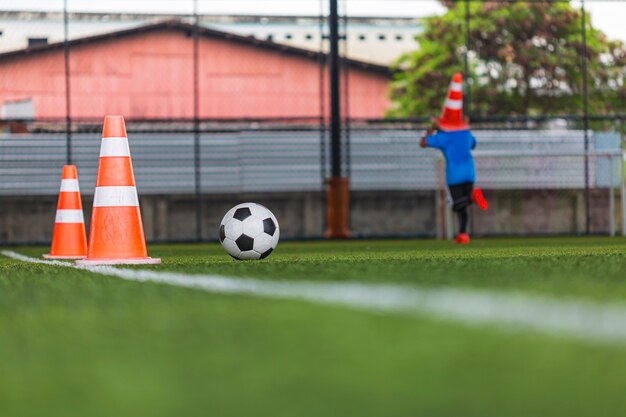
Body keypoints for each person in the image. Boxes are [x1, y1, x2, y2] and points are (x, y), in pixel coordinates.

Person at [420, 73, 487, 244]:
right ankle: (463, 234)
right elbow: (473, 144)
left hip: (454, 174)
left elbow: (422, 143)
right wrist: (467, 127)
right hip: (470, 172)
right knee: (463, 208)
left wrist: (432, 129)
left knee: (458, 205)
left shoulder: (442, 137)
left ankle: (472, 198)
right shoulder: (466, 134)